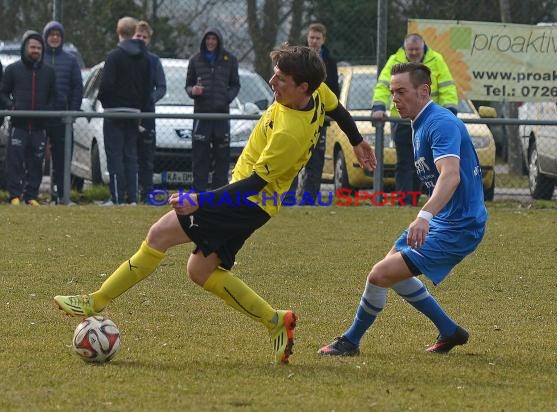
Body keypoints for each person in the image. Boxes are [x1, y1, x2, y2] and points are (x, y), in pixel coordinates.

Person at [54, 44, 377, 364]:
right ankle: (275, 320)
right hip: (253, 204)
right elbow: (338, 110)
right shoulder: (317, 93)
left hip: (244, 200)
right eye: (274, 74)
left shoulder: (289, 135)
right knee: (200, 270)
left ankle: (94, 302)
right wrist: (358, 140)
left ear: (302, 86)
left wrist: (199, 200)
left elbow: (254, 184)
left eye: (281, 79)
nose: (272, 82)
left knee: (159, 235)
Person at [319, 62, 486, 356]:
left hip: (459, 226)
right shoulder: (420, 122)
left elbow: (451, 175)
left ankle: (350, 342)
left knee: (380, 275)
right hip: (444, 220)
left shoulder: (439, 123)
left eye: (401, 92)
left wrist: (424, 215)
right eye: (392, 91)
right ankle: (450, 331)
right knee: (392, 272)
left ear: (423, 91)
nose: (395, 98)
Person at [372, 33, 458, 206]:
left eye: (416, 50)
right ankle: (405, 200)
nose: (412, 53)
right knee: (404, 162)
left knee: (425, 163)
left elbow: (447, 87)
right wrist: (379, 106)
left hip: (429, 119)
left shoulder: (436, 60)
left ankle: (423, 199)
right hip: (402, 121)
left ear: (423, 47)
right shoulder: (395, 60)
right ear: (405, 48)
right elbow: (383, 86)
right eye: (409, 50)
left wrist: (449, 111)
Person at [98, 17, 151, 205]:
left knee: (115, 156)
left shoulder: (114, 56)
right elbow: (147, 87)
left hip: (113, 111)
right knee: (130, 155)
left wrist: (104, 102)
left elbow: (106, 85)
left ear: (119, 32)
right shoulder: (144, 58)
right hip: (134, 111)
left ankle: (117, 197)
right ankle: (133, 198)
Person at [0, 30, 56, 206]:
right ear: (25, 47)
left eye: (39, 48)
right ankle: (14, 195)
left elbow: (54, 97)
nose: (35, 50)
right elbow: (2, 93)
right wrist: (11, 107)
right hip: (19, 125)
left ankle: (31, 196)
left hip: (39, 126)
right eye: (32, 47)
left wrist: (47, 110)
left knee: (35, 163)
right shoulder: (12, 70)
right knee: (15, 162)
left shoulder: (49, 72)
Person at [185, 28, 240, 192]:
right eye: (208, 39)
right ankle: (198, 194)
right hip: (201, 115)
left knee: (222, 158)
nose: (210, 42)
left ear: (218, 41)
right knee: (200, 157)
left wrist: (226, 98)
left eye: (213, 39)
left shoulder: (230, 60)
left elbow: (235, 85)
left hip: (221, 116)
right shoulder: (195, 60)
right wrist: (192, 91)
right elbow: (188, 85)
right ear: (204, 41)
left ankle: (219, 194)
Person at [293, 22, 340, 203]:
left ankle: (309, 199)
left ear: (323, 40)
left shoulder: (330, 62)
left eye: (317, 38)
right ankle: (289, 197)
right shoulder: (297, 58)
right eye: (311, 37)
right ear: (307, 38)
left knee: (316, 160)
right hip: (298, 116)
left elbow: (334, 89)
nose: (314, 41)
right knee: (294, 158)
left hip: (320, 117)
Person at [42, 20, 84, 205]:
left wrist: (72, 112)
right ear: (46, 37)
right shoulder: (38, 58)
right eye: (51, 34)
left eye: (58, 35)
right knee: (34, 158)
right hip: (40, 118)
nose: (54, 38)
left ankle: (61, 195)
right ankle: (29, 196)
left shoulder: (70, 60)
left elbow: (77, 87)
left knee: (62, 160)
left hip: (62, 118)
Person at [133, 20, 167, 203]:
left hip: (147, 117)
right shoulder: (126, 57)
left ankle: (146, 194)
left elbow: (161, 87)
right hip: (128, 113)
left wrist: (149, 100)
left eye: (144, 37)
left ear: (149, 40)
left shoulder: (154, 61)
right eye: (138, 35)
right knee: (128, 156)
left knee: (146, 158)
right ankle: (127, 194)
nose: (141, 39)